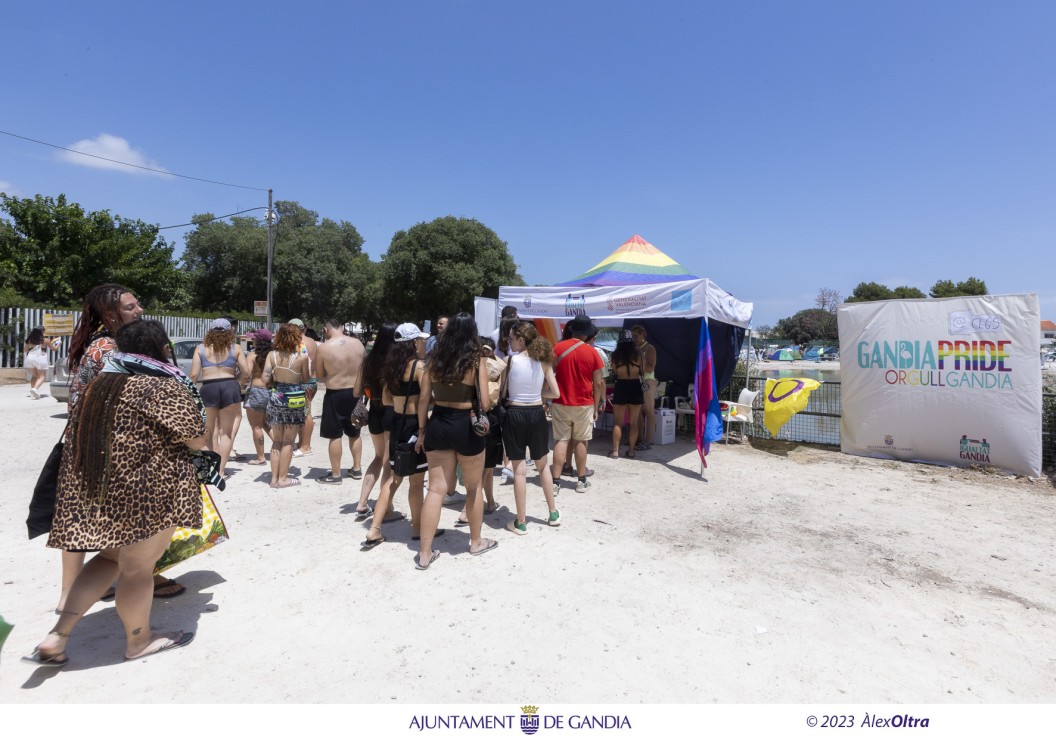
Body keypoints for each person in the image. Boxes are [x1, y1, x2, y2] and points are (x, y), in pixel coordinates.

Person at [24, 320, 204, 666]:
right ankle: (139, 641)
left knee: (108, 559)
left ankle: (57, 635)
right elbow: (196, 438)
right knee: (137, 569)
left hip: (100, 487)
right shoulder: (161, 385)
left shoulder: (98, 385)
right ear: (161, 348)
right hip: (148, 492)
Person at [58, 285, 183, 604]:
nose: (139, 309)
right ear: (110, 315)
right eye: (131, 307)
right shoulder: (110, 349)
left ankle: (70, 593)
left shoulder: (106, 344)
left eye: (137, 303)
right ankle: (138, 578)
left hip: (90, 443)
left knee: (85, 518)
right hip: (107, 448)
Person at [414, 312, 498, 570]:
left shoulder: (434, 360)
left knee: (436, 489)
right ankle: (475, 541)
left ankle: (425, 553)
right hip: (466, 424)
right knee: (473, 488)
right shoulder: (476, 361)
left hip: (439, 422)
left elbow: (423, 400)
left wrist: (421, 430)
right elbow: (484, 402)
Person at [362, 323, 429, 547]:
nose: (422, 343)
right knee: (416, 481)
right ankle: (418, 528)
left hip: (396, 421)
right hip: (413, 424)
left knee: (392, 478)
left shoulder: (390, 368)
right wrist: (421, 431)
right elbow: (424, 402)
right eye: (419, 339)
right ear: (413, 343)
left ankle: (374, 529)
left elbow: (388, 400)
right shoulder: (420, 367)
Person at [502, 321, 561, 535]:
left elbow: (504, 391)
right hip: (537, 414)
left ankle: (521, 521)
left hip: (514, 414)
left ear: (521, 339)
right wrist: (537, 393)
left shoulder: (509, 361)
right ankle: (553, 513)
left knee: (519, 470)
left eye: (511, 339)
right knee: (543, 466)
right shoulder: (543, 362)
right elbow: (555, 393)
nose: (509, 342)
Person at [550, 314, 605, 492]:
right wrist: (596, 407)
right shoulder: (592, 352)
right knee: (581, 441)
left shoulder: (557, 347)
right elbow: (598, 383)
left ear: (572, 329)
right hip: (584, 403)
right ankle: (581, 481)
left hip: (560, 401)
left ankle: (555, 482)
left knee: (561, 440)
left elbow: (548, 375)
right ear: (588, 332)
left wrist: (545, 400)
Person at [190, 318, 250, 478]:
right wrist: (235, 377)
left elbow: (194, 374)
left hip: (208, 387)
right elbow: (246, 372)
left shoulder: (200, 348)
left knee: (208, 431)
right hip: (229, 386)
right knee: (226, 433)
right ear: (228, 331)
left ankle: (211, 469)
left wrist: (189, 392)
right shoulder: (235, 348)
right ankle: (221, 471)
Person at [352, 323, 397, 516]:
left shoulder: (368, 361)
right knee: (388, 461)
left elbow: (356, 391)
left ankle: (363, 502)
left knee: (379, 458)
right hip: (390, 412)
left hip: (374, 412)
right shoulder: (394, 361)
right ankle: (385, 507)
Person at [315, 318, 366, 484]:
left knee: (335, 435)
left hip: (335, 393)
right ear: (342, 328)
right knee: (355, 432)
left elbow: (320, 376)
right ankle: (357, 468)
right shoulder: (358, 344)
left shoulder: (324, 348)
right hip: (355, 392)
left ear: (325, 329)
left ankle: (336, 474)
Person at [263, 323, 311, 488]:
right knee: (288, 441)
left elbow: (265, 379)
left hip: (277, 397)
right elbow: (306, 378)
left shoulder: (271, 355)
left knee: (277, 441)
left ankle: (273, 479)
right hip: (294, 399)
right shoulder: (302, 357)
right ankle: (283, 479)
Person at [609, 329, 644, 458]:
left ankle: (615, 451)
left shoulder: (615, 355)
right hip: (635, 385)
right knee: (634, 422)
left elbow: (615, 372)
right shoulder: (638, 354)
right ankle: (631, 450)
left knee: (618, 422)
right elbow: (643, 371)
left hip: (621, 385)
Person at [242, 329, 274, 466]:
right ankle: (282, 446)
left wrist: (242, 385)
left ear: (258, 341)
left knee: (256, 426)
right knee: (267, 424)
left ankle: (261, 457)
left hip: (256, 391)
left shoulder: (252, 355)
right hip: (271, 390)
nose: (252, 340)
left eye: (254, 338)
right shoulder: (274, 355)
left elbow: (246, 374)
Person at [287, 318, 318, 457]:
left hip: (303, 381)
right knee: (304, 412)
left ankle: (306, 446)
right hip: (311, 381)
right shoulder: (311, 341)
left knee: (306, 413)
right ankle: (302, 443)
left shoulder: (298, 343)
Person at [631, 325, 658, 450]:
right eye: (633, 336)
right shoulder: (634, 348)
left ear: (643, 335)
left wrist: (639, 360)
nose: (634, 338)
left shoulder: (649, 348)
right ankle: (639, 439)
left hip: (647, 380)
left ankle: (649, 441)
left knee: (648, 411)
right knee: (638, 412)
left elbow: (651, 367)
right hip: (637, 380)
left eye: (636, 335)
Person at [24, 325, 58, 399]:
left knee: (34, 376)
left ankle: (33, 393)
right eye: (43, 331)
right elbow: (54, 349)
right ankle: (35, 389)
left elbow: (25, 350)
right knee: (42, 376)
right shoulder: (45, 340)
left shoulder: (29, 340)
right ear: (41, 331)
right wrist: (59, 344)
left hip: (30, 358)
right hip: (40, 358)